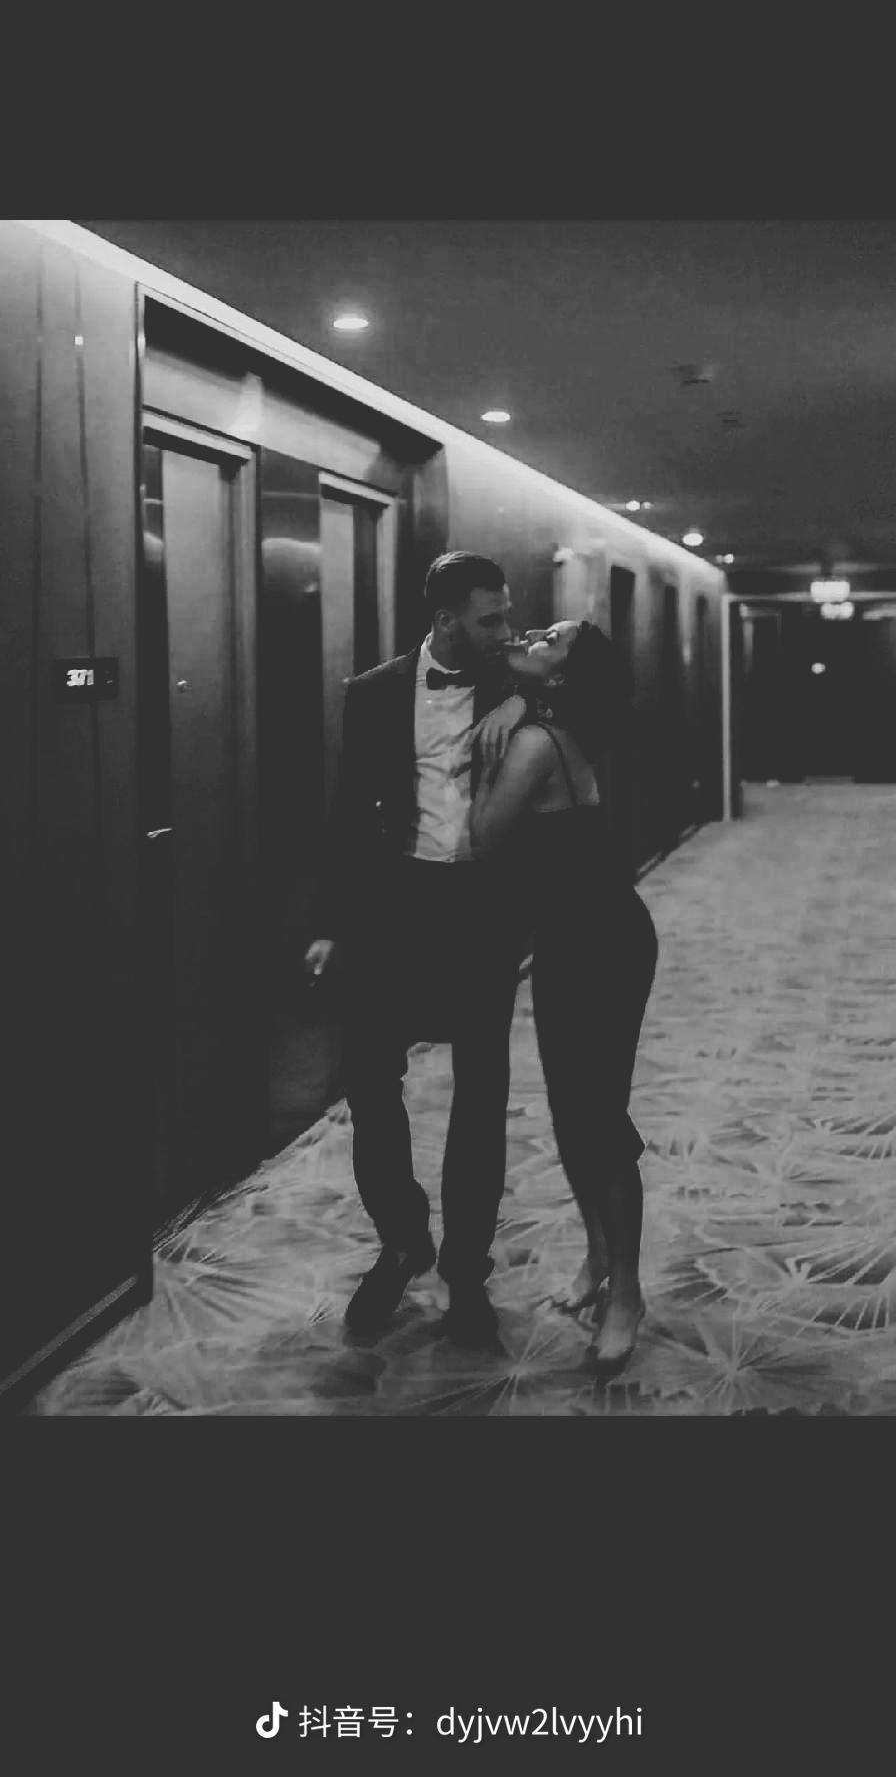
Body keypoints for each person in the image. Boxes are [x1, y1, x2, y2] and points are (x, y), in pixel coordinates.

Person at [304, 552, 528, 1347]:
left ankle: (466, 1265)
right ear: (444, 620)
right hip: (393, 905)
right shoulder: (373, 691)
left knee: (481, 1091)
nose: (506, 629)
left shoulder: (519, 679)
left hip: (482, 908)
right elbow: (345, 809)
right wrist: (329, 922)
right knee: (371, 1077)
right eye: (490, 617)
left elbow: (599, 691)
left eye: (506, 614)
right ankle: (402, 1239)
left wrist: (526, 697)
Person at [469, 620, 658, 1369]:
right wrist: (517, 699)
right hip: (574, 940)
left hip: (601, 944)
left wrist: (492, 753)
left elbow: (484, 837)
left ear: (558, 679)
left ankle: (628, 1293)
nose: (530, 634)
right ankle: (599, 1256)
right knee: (572, 1113)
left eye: (550, 640)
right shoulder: (554, 727)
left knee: (598, 1119)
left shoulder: (536, 745)